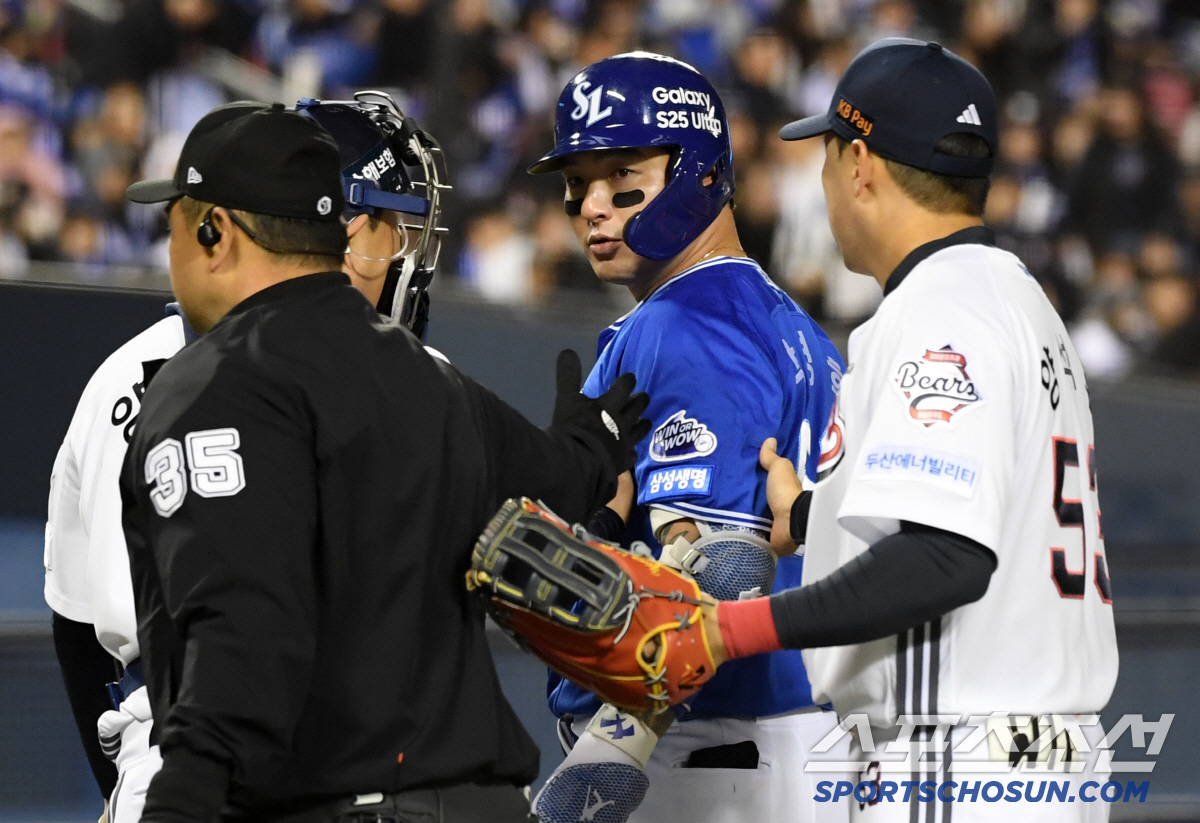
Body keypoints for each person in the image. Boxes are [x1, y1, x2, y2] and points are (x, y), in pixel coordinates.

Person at [704, 38, 1118, 822]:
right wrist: (804, 517)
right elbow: (967, 516)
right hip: (1034, 762)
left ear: (860, 164)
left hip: (956, 761)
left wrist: (732, 628)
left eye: (825, 153)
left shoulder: (941, 311)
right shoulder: (1018, 301)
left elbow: (945, 555)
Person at [44, 92, 453, 823]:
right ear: (342, 232)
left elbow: (79, 632)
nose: (407, 254)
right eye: (394, 225)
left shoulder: (118, 376)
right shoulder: (408, 378)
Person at [526, 52, 847, 823]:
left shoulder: (685, 321)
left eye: (620, 176)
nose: (593, 207)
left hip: (709, 754)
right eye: (577, 187)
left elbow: (721, 574)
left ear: (697, 167)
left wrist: (608, 753)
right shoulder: (790, 324)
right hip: (788, 739)